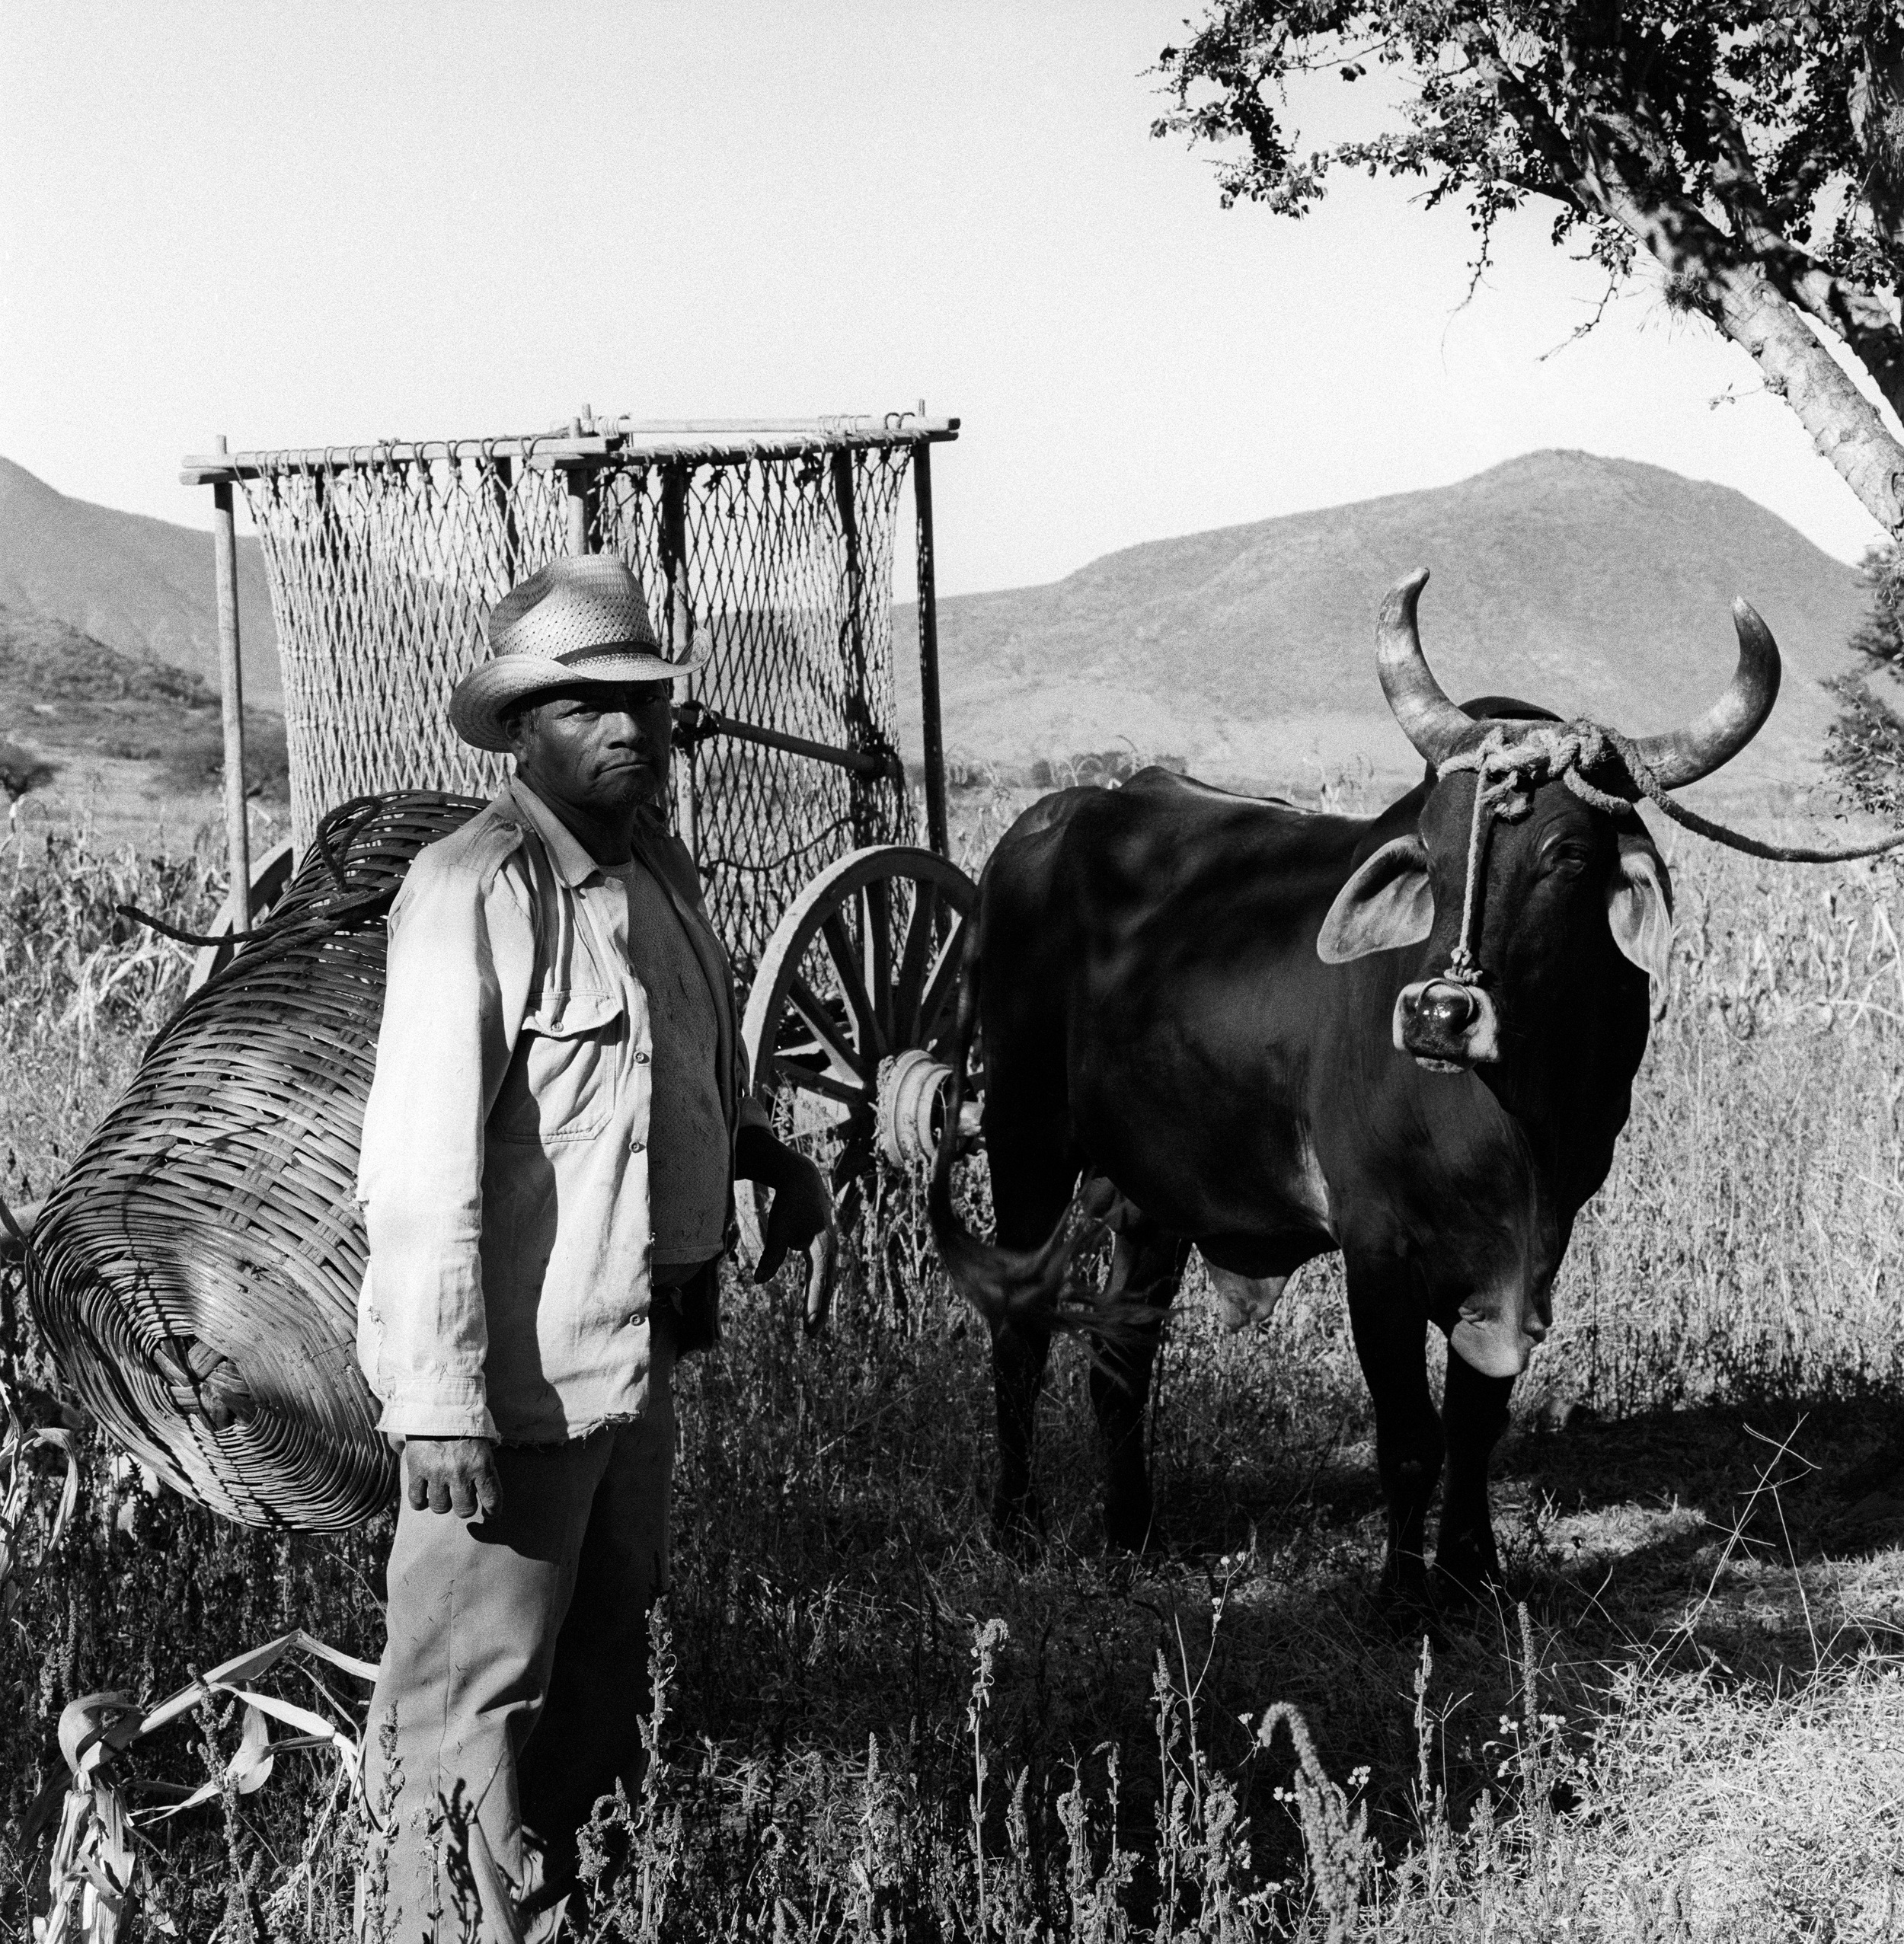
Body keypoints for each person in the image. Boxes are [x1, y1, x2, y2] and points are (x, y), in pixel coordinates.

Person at [354, 554, 835, 1939]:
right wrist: (440, 1400)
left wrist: (764, 1153)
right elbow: (421, 1168)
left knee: (606, 1656)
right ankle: (448, 1926)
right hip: (516, 1383)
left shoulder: (660, 879)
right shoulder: (476, 891)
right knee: (469, 1689)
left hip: (634, 1353)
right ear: (520, 729)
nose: (625, 724)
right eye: (581, 703)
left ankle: (564, 1905)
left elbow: (669, 1078)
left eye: (641, 697)